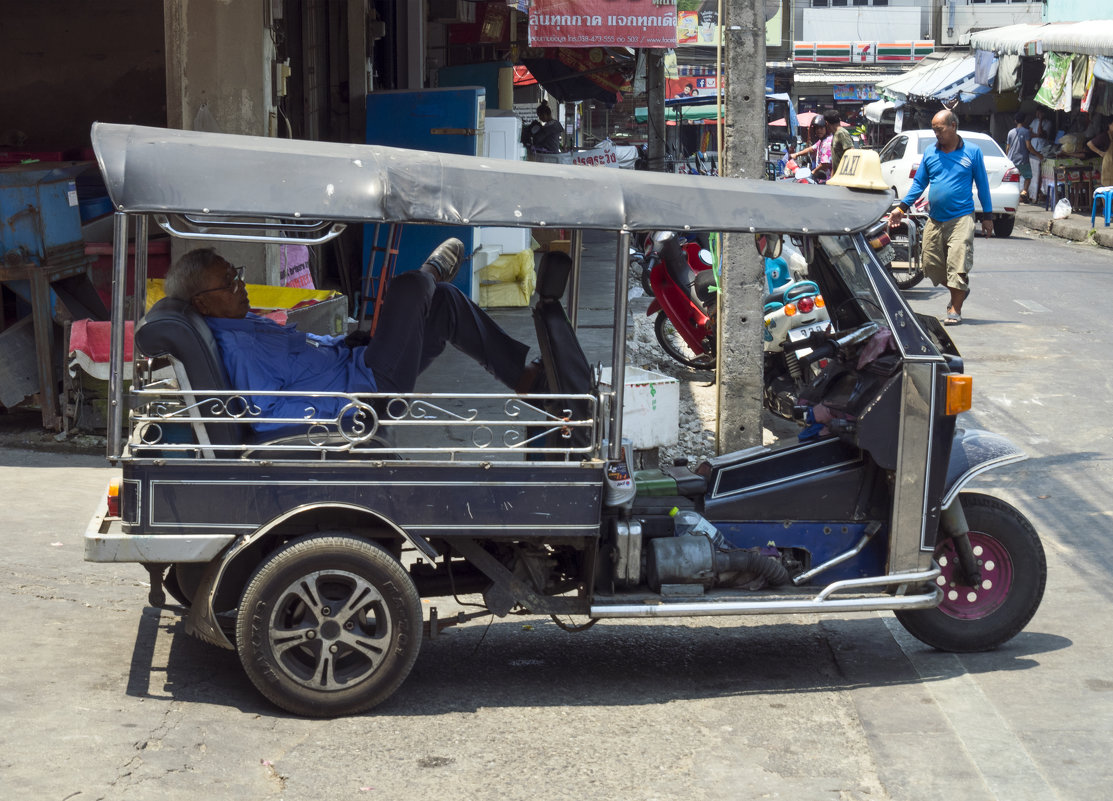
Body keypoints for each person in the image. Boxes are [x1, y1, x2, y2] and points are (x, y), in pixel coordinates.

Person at [163, 240, 543, 434]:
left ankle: (523, 378)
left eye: (237, 274)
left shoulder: (244, 323)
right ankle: (430, 271)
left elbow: (302, 357)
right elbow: (268, 418)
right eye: (229, 283)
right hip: (364, 393)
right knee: (410, 287)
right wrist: (345, 412)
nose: (240, 285)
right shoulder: (241, 347)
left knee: (442, 303)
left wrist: (344, 343)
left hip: (355, 364)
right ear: (203, 303)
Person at [889, 109, 993, 326]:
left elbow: (983, 185)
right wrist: (902, 207)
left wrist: (988, 215)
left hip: (961, 218)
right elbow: (919, 183)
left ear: (953, 126)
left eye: (940, 129)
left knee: (958, 263)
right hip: (935, 219)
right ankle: (960, 288)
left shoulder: (972, 152)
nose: (936, 134)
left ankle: (955, 308)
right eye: (934, 130)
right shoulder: (930, 153)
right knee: (929, 265)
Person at [1006, 112, 1039, 203]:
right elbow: (1028, 146)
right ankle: (1024, 193)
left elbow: (1008, 147)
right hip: (1023, 160)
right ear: (1024, 121)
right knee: (1028, 177)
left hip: (1011, 160)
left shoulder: (1010, 132)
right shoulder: (1026, 131)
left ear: (1015, 121)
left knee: (1012, 178)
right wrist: (1038, 154)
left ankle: (1013, 195)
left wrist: (1007, 158)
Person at [1029, 108, 1052, 202]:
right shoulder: (1034, 121)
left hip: (1041, 151)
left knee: (1040, 174)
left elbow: (1041, 133)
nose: (1038, 114)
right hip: (1033, 150)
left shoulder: (1048, 123)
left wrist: (1041, 121)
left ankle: (1039, 194)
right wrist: (1037, 135)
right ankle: (1032, 194)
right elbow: (1030, 134)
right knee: (1033, 174)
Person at [826, 109, 854, 175]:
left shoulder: (841, 133)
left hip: (843, 177)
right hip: (837, 177)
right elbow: (836, 159)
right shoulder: (835, 134)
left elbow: (851, 153)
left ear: (827, 123)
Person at [1086, 118, 1113, 187]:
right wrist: (1100, 153)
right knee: (1108, 187)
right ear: (1109, 125)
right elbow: (1089, 144)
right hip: (1109, 166)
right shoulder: (1105, 136)